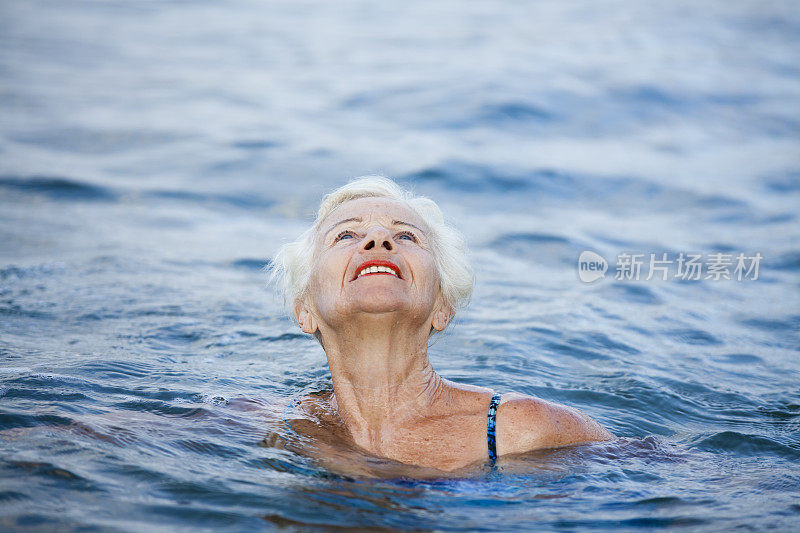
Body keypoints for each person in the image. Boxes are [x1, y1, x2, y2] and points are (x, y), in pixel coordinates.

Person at [268, 176, 612, 472]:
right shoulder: (269, 425)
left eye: (406, 237)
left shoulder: (524, 432)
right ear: (304, 310)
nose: (378, 239)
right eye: (345, 236)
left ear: (442, 307)